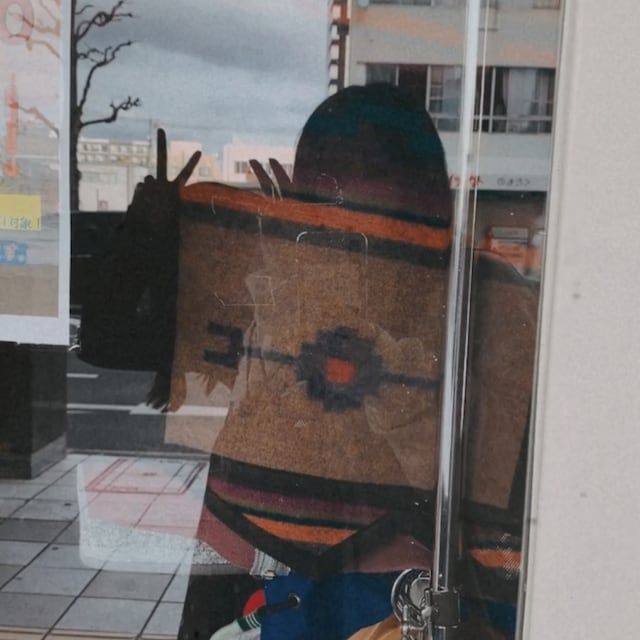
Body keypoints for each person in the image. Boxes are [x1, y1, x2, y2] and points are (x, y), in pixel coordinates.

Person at [80, 83, 537, 640]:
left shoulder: (481, 295)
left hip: (409, 591)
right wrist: (147, 234)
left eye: (373, 175)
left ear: (425, 193)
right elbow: (108, 339)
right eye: (324, 178)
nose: (346, 201)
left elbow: (508, 463)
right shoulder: (262, 275)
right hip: (258, 565)